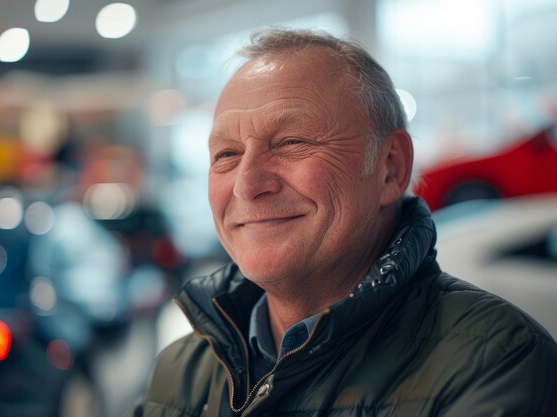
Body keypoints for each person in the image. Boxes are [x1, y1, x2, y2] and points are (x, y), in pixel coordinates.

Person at [131, 29, 557, 417]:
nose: (247, 185)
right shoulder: (180, 370)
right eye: (226, 154)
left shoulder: (495, 362)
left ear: (390, 168)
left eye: (292, 142)